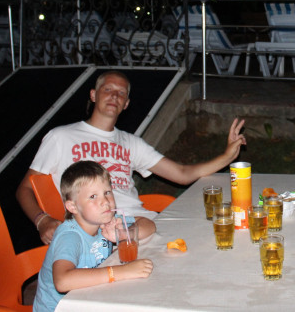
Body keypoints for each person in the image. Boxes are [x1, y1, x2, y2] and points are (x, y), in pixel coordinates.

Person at [17, 70, 246, 244]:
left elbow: (182, 174)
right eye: (108, 89)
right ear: (94, 95)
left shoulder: (130, 142)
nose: (114, 96)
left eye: (121, 93)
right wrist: (42, 220)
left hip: (140, 222)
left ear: (126, 104)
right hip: (97, 229)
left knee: (212, 235)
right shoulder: (61, 137)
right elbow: (24, 189)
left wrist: (227, 156)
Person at [33, 160, 154, 312]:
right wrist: (122, 271)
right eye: (93, 196)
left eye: (107, 192)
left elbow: (148, 224)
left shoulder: (105, 220)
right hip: (61, 308)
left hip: (92, 297)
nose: (105, 202)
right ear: (73, 207)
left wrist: (123, 233)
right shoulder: (70, 237)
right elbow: (62, 281)